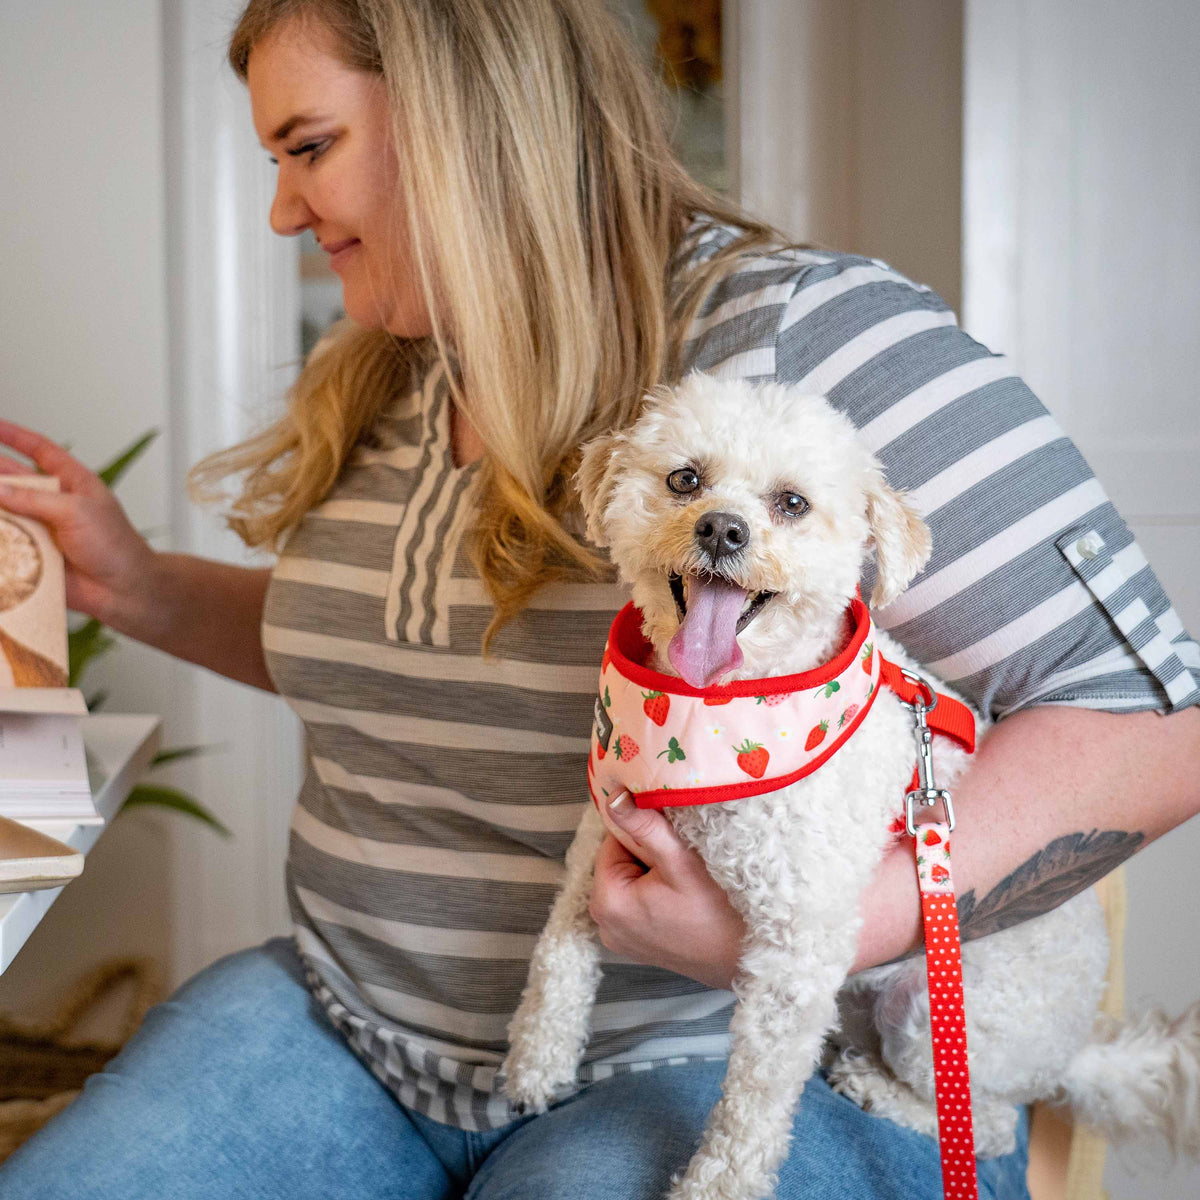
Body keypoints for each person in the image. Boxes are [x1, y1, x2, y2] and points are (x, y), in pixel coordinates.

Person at [0, 1, 1197, 1196]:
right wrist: (143, 589)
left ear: (470, 122)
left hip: (713, 1059)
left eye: (308, 148)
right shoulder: (394, 355)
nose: (282, 210)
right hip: (348, 1025)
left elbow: (1155, 724)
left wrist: (828, 928)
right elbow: (399, 660)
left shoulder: (808, 336)